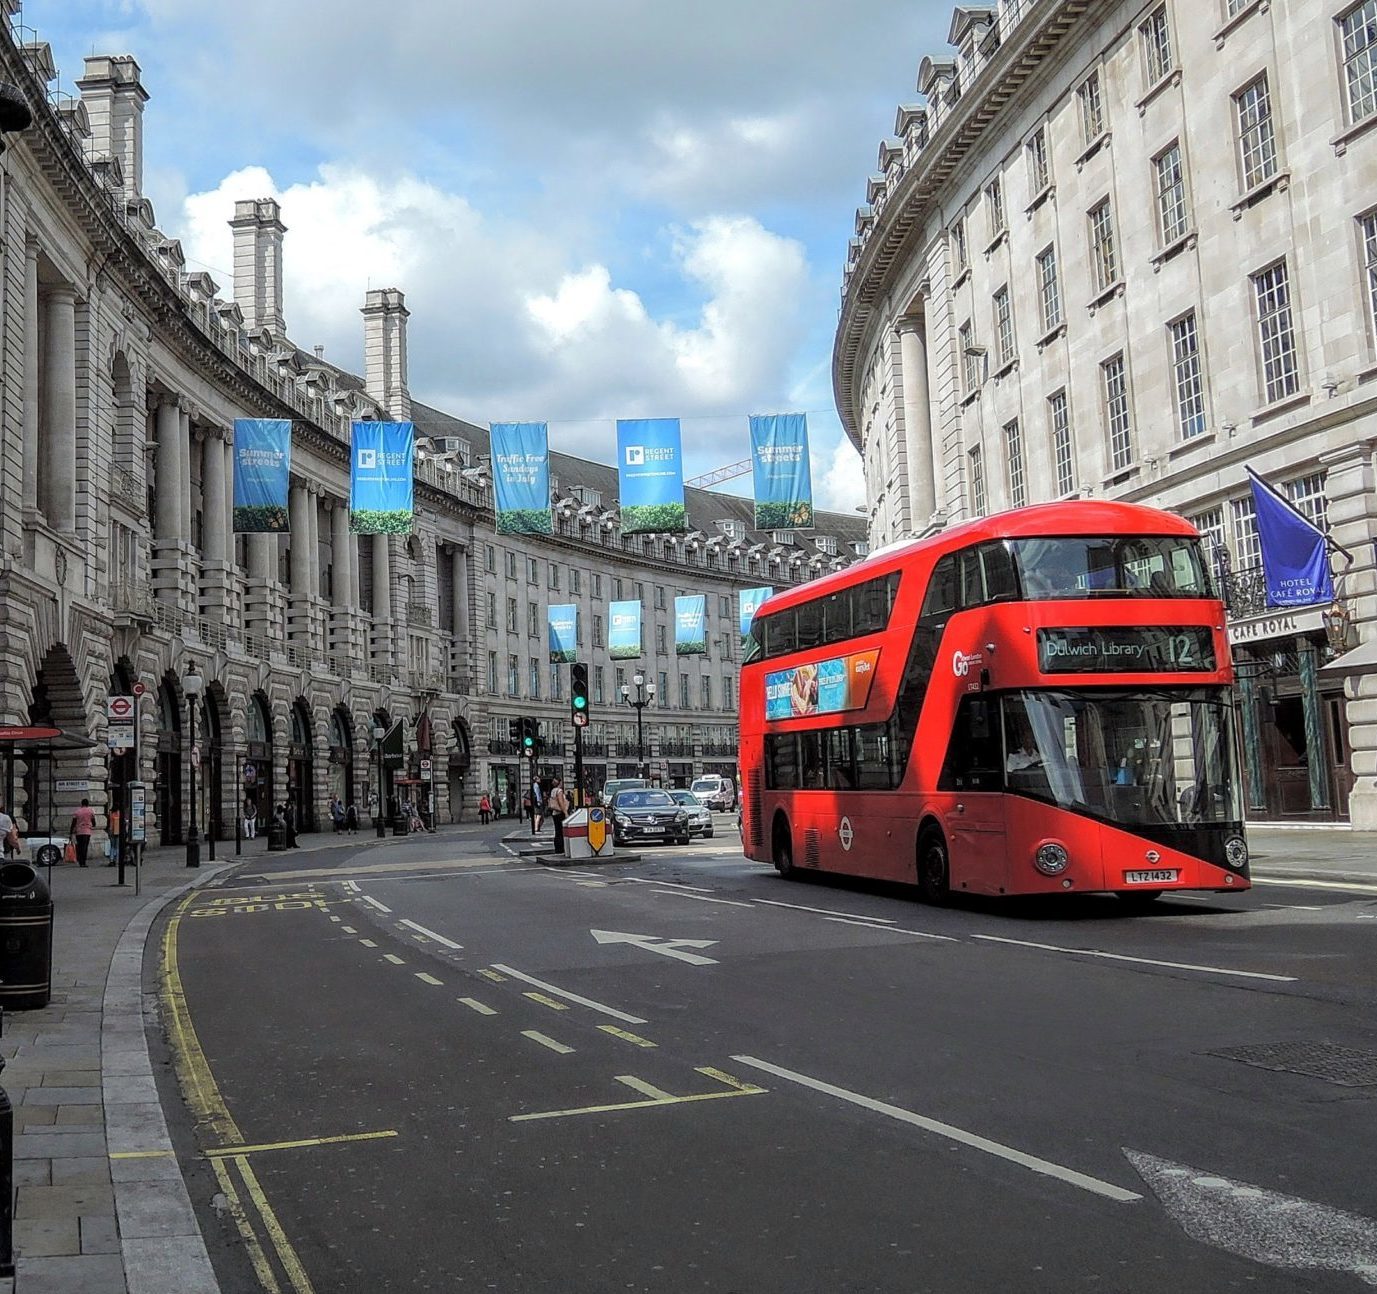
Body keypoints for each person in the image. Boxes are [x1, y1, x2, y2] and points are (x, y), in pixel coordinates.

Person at [69, 797, 96, 867]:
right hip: (87, 831)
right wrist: (92, 825)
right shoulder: (91, 811)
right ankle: (84, 862)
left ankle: (80, 861)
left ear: (81, 804)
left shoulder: (77, 811)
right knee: (85, 846)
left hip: (79, 831)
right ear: (87, 804)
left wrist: (71, 831)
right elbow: (94, 821)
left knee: (79, 846)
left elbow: (73, 822)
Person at [548, 778, 569, 852]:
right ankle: (560, 848)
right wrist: (565, 812)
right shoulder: (559, 791)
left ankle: (557, 848)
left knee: (557, 831)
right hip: (560, 813)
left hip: (554, 813)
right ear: (560, 783)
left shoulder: (553, 790)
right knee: (561, 831)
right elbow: (561, 802)